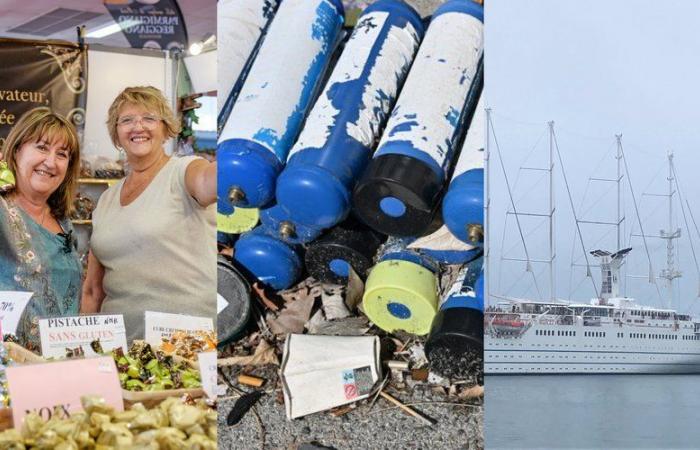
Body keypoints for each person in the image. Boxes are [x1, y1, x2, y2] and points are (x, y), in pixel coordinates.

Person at [81, 86, 216, 342]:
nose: (138, 126)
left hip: (183, 345)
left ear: (166, 129)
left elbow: (208, 181)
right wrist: (83, 347)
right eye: (127, 120)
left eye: (149, 118)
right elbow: (92, 289)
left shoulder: (183, 171)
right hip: (118, 346)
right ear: (117, 133)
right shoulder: (107, 200)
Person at [0, 108, 82, 350]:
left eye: (62, 154)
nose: (50, 161)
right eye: (42, 147)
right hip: (9, 366)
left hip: (60, 362)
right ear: (16, 152)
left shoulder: (63, 221)